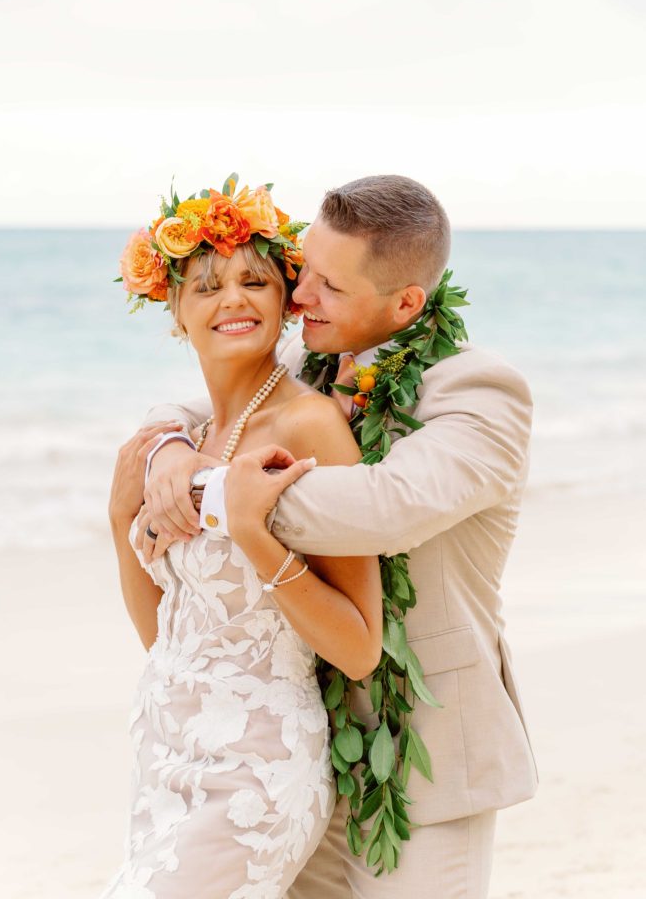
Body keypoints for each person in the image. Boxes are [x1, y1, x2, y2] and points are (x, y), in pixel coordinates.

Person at [138, 174, 538, 899]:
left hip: (422, 750)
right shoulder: (314, 362)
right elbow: (215, 404)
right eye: (305, 270)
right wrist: (165, 445)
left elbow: (385, 506)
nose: (298, 296)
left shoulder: (478, 392)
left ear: (405, 304)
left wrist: (212, 496)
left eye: (328, 285)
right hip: (295, 739)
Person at [103, 179, 383, 899]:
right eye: (207, 287)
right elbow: (167, 638)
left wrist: (252, 531)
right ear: (174, 309)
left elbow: (359, 647)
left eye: (254, 282)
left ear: (285, 300)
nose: (233, 300)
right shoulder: (188, 439)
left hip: (254, 773)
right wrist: (119, 515)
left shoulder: (309, 425)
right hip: (164, 756)